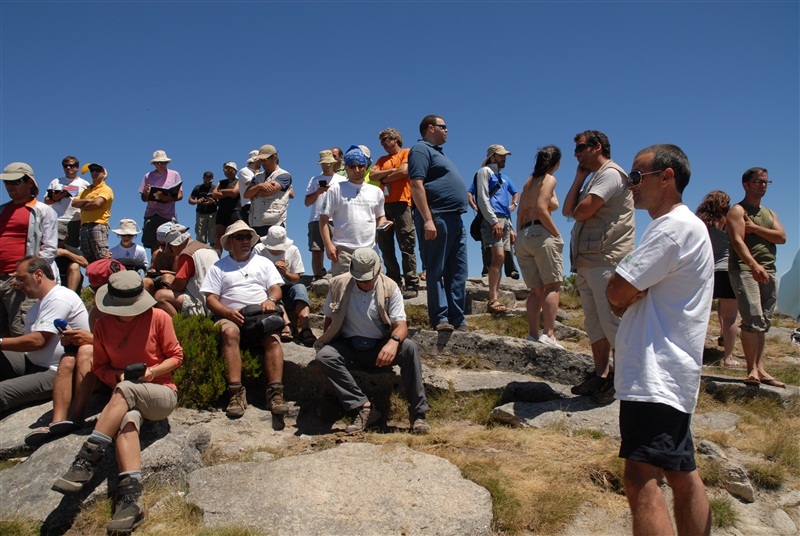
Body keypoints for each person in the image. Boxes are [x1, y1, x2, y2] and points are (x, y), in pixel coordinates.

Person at [606, 144, 713, 536]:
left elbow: (618, 290)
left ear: (667, 177)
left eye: (637, 176)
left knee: (640, 479)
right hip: (674, 372)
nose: (631, 185)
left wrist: (626, 296)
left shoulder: (670, 227)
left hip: (655, 373)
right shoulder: (690, 226)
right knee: (682, 472)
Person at [52, 271, 183, 535]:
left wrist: (152, 372)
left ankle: (88, 458)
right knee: (127, 420)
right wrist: (119, 376)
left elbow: (176, 356)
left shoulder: (159, 317)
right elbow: (100, 368)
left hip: (161, 393)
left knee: (125, 390)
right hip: (124, 400)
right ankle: (131, 498)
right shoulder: (102, 327)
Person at [314, 248, 430, 434]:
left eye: (368, 278)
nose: (364, 283)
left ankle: (418, 414)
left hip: (379, 348)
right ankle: (363, 407)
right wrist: (327, 342)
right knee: (325, 356)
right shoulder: (338, 285)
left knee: (409, 348)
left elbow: (401, 326)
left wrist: (392, 342)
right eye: (360, 278)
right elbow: (329, 321)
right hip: (349, 347)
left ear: (378, 269)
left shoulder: (390, 287)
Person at [562, 130, 634, 401]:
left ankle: (623, 379)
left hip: (607, 259)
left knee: (612, 322)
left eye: (581, 148)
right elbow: (567, 209)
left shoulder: (611, 174)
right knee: (594, 323)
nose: (576, 153)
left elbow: (580, 211)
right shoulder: (593, 176)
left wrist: (580, 198)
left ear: (598, 147)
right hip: (588, 260)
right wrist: (579, 177)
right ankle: (600, 374)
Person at [24, 259, 125, 447]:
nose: (97, 294)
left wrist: (91, 341)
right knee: (68, 359)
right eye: (94, 290)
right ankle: (58, 421)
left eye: (100, 289)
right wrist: (72, 343)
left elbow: (131, 351)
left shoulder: (140, 312)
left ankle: (77, 417)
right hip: (100, 372)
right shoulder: (97, 311)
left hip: (121, 373)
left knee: (86, 350)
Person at [199, 221, 289, 419]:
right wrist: (227, 312)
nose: (245, 241)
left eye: (248, 237)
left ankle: (275, 393)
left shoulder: (264, 263)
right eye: (240, 237)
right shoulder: (218, 267)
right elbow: (211, 299)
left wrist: (270, 299)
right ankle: (236, 393)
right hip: (229, 315)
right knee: (230, 332)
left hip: (259, 314)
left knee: (272, 338)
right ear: (230, 241)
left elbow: (275, 288)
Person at [0, 256, 90, 415]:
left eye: (21, 279)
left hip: (55, 371)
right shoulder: (38, 304)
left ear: (38, 275)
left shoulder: (60, 297)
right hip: (32, 361)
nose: (17, 285)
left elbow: (38, 341)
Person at [408, 115, 469, 332]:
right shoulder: (420, 150)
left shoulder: (439, 153)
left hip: (455, 218)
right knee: (436, 269)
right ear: (430, 128)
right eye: (443, 127)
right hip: (437, 216)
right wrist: (427, 219)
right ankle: (441, 318)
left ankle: (458, 319)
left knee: (458, 271)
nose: (447, 130)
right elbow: (416, 184)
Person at [727, 167, 787, 388]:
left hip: (769, 269)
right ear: (746, 184)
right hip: (745, 268)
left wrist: (754, 228)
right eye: (758, 181)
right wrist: (753, 265)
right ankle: (751, 369)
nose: (763, 185)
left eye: (766, 182)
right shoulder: (737, 210)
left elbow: (781, 237)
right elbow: (737, 241)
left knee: (764, 321)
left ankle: (761, 369)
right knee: (753, 318)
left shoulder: (770, 214)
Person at [0, 162, 59, 337]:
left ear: (30, 182)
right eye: (6, 182)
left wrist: (26, 275)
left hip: (21, 281)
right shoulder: (2, 210)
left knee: (21, 331)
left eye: (15, 181)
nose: (10, 186)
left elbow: (49, 249)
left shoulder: (43, 210)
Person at [515, 146, 564, 348]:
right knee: (553, 285)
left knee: (535, 290)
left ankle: (533, 335)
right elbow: (542, 209)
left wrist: (520, 236)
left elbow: (519, 214)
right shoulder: (549, 179)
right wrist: (557, 234)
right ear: (557, 163)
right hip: (540, 232)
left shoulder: (528, 182)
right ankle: (549, 334)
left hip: (524, 235)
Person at [319, 145, 387, 276]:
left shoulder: (376, 192)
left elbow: (380, 217)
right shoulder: (335, 189)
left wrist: (383, 224)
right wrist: (328, 245)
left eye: (361, 166)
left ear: (366, 167)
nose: (357, 170)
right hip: (344, 251)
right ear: (346, 167)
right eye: (352, 166)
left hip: (370, 249)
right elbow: (323, 220)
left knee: (376, 289)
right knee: (343, 291)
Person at [371, 128, 420, 299]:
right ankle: (393, 280)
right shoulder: (381, 159)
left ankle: (412, 282)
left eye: (385, 139)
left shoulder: (406, 152)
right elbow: (373, 174)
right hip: (384, 206)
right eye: (382, 141)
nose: (383, 143)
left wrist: (384, 178)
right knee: (386, 244)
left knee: (406, 243)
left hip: (402, 203)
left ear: (395, 139)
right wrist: (388, 175)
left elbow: (404, 171)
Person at [695, 191, 741, 367]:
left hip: (705, 271)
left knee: (702, 314)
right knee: (730, 316)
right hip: (726, 269)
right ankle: (728, 357)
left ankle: (696, 352)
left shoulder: (700, 222)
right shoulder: (728, 221)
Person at [253, 226, 316, 346]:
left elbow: (297, 278)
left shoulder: (293, 250)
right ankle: (286, 324)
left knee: (301, 289)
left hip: (288, 286)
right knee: (273, 293)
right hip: (268, 287)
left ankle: (305, 328)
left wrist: (284, 272)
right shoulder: (258, 250)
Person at [474, 144, 517, 314]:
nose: (504, 158)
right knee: (497, 256)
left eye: (504, 156)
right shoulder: (484, 172)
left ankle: (495, 296)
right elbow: (482, 198)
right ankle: (493, 298)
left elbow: (505, 201)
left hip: (504, 219)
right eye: (500, 156)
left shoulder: (500, 176)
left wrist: (511, 226)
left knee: (501, 258)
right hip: (493, 219)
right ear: (492, 157)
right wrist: (493, 221)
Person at [153, 223, 218, 317]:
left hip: (201, 303)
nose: (171, 252)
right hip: (216, 302)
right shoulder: (210, 249)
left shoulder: (186, 254)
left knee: (160, 296)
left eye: (170, 248)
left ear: (175, 245)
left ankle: (177, 325)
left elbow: (179, 285)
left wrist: (168, 287)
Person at [304, 150, 345, 279]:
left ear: (333, 163)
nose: (325, 166)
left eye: (328, 163)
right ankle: (317, 278)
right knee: (316, 250)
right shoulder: (315, 179)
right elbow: (307, 202)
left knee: (337, 249)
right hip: (316, 217)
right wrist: (318, 192)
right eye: (323, 163)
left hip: (336, 218)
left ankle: (338, 276)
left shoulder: (342, 180)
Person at [139, 150, 183, 254]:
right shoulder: (147, 176)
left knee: (170, 243)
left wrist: (169, 198)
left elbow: (180, 195)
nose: (161, 165)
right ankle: (155, 266)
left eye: (164, 162)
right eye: (159, 162)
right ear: (154, 164)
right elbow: (143, 198)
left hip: (168, 215)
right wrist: (146, 193)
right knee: (153, 244)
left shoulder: (174, 174)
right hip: (152, 213)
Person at [245, 144, 292, 236]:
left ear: (274, 157)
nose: (263, 163)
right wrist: (260, 186)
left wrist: (254, 191)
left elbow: (268, 192)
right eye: (261, 160)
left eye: (265, 159)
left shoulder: (284, 175)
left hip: (275, 224)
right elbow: (246, 194)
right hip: (255, 223)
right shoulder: (257, 177)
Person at [73, 162, 114, 264]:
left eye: (97, 170)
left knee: (102, 256)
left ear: (104, 173)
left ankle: (104, 279)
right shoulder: (86, 190)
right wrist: (88, 201)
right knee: (87, 258)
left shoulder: (106, 189)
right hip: (84, 226)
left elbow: (97, 203)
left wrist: (83, 205)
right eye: (92, 170)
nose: (94, 172)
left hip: (98, 225)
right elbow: (74, 203)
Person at [45, 156, 90, 249]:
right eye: (65, 166)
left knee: (72, 248)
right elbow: (46, 201)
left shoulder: (85, 184)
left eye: (71, 165)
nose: (68, 168)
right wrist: (57, 197)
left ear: (77, 167)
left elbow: (89, 202)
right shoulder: (56, 181)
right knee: (54, 247)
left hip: (75, 220)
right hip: (57, 219)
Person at [212, 162, 242, 254]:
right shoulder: (221, 182)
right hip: (222, 211)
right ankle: (216, 258)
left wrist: (222, 191)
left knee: (235, 235)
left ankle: (234, 257)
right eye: (226, 169)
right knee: (219, 236)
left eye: (230, 169)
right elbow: (214, 194)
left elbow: (234, 193)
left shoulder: (239, 181)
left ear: (235, 171)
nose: (228, 171)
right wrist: (227, 193)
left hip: (235, 211)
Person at [55, 221, 88, 293]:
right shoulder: (43, 249)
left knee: (75, 266)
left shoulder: (72, 250)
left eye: (60, 240)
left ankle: (70, 296)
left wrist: (65, 253)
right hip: (50, 283)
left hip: (67, 283)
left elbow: (85, 263)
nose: (57, 242)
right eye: (55, 239)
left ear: (66, 237)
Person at [188, 171, 217, 246]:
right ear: (203, 178)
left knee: (213, 237)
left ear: (212, 179)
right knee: (201, 237)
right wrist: (198, 201)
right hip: (201, 214)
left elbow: (221, 201)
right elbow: (190, 200)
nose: (207, 182)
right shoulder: (198, 188)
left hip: (212, 214)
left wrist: (213, 201)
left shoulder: (215, 188)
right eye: (206, 180)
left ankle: (213, 254)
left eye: (209, 180)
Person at [237, 150, 260, 225]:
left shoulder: (260, 172)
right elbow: (253, 185)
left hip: (258, 204)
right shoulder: (244, 171)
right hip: (248, 204)